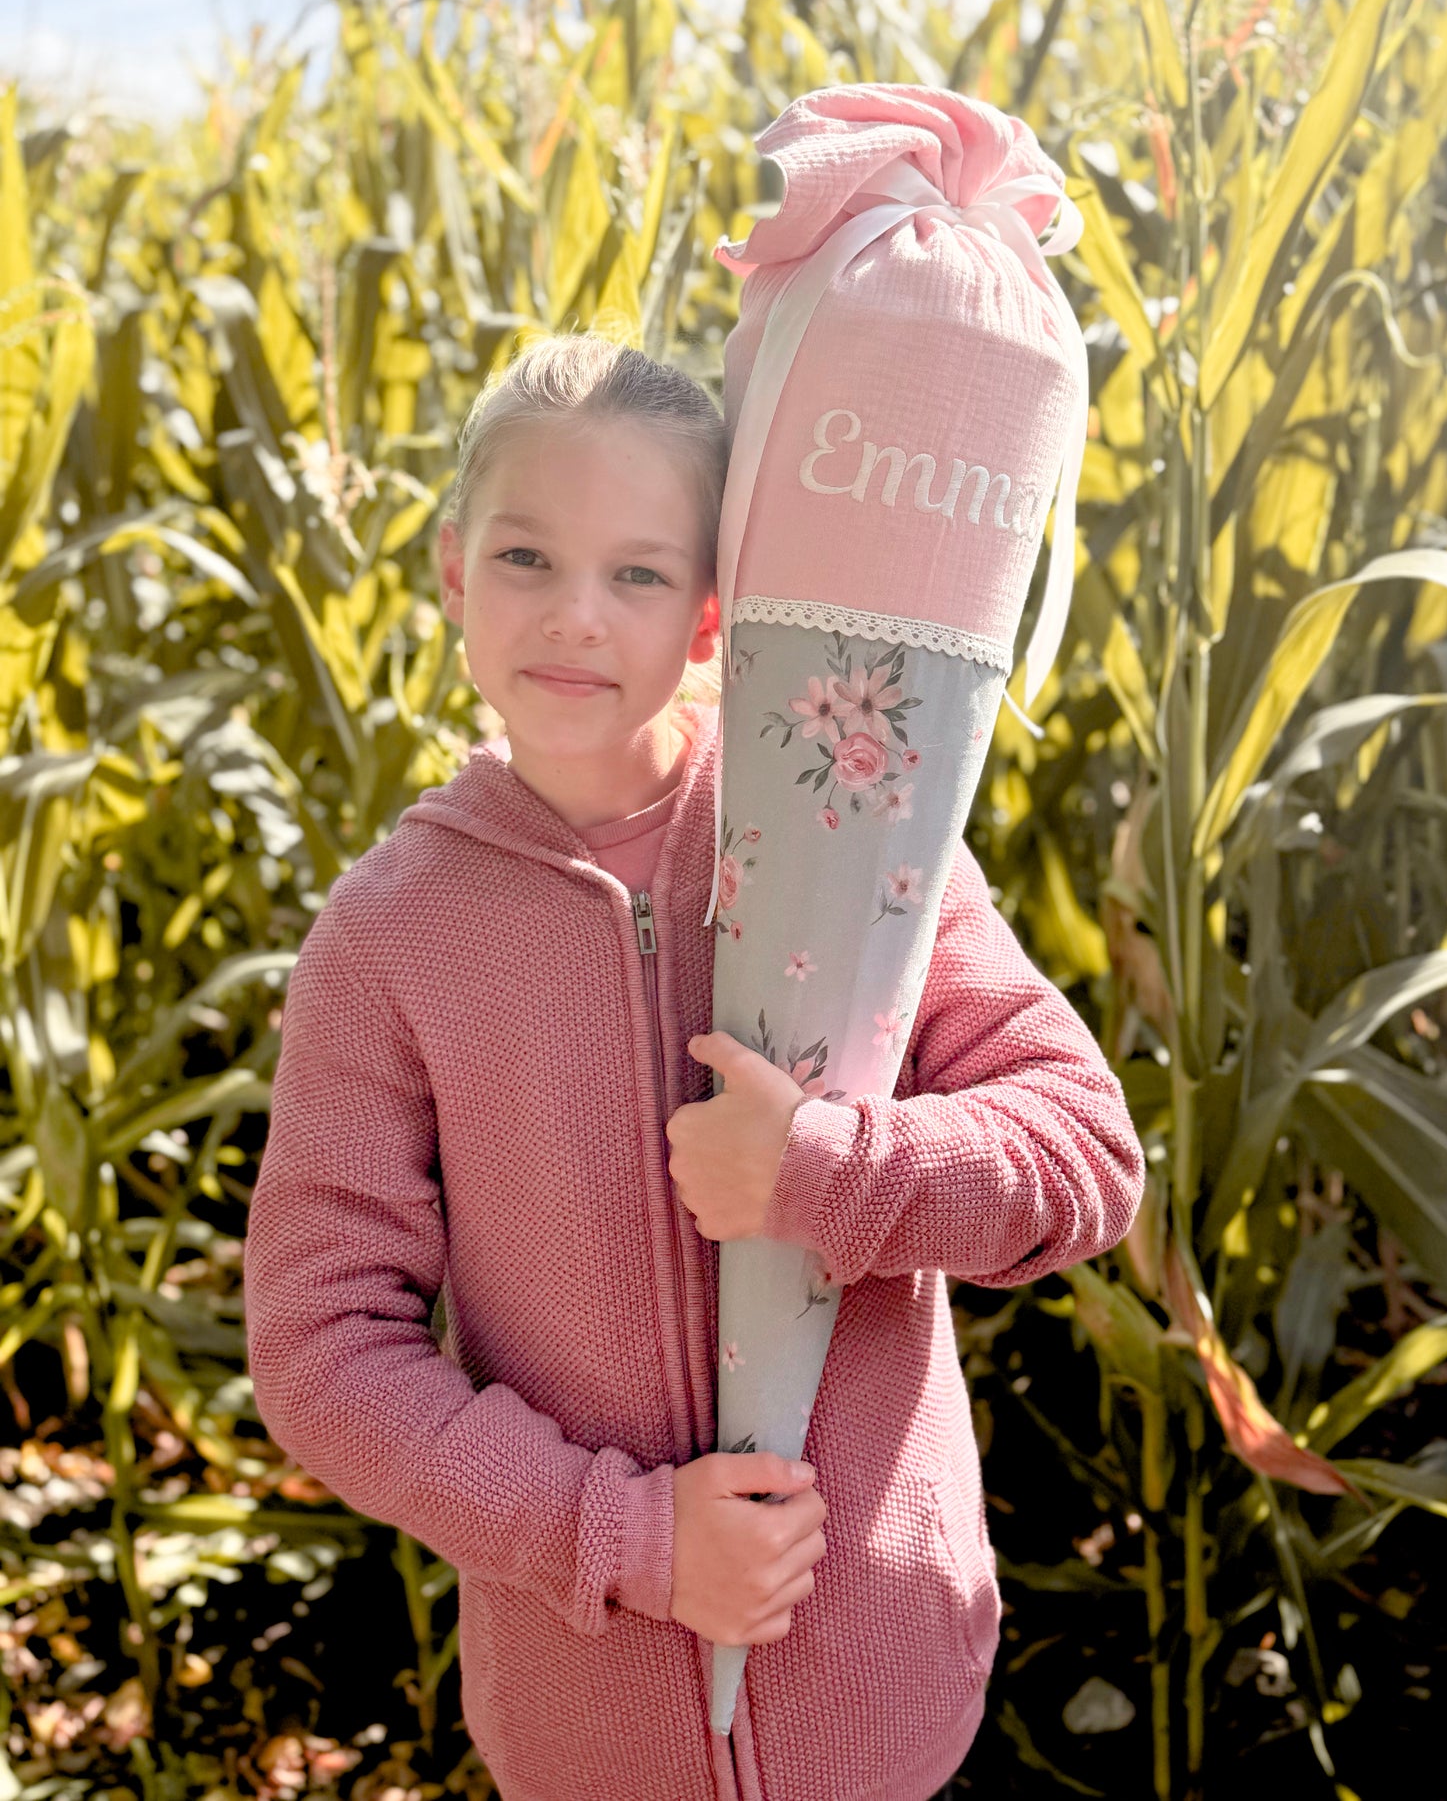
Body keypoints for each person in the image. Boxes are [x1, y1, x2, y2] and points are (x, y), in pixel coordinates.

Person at [242, 331, 1147, 1801]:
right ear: (454, 576)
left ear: (718, 617)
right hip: (589, 1733)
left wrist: (826, 1173)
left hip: (883, 1684)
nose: (576, 618)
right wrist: (638, 1542)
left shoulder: (851, 822)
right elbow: (321, 1352)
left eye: (640, 574)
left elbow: (1084, 1159)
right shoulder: (388, 937)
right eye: (527, 558)